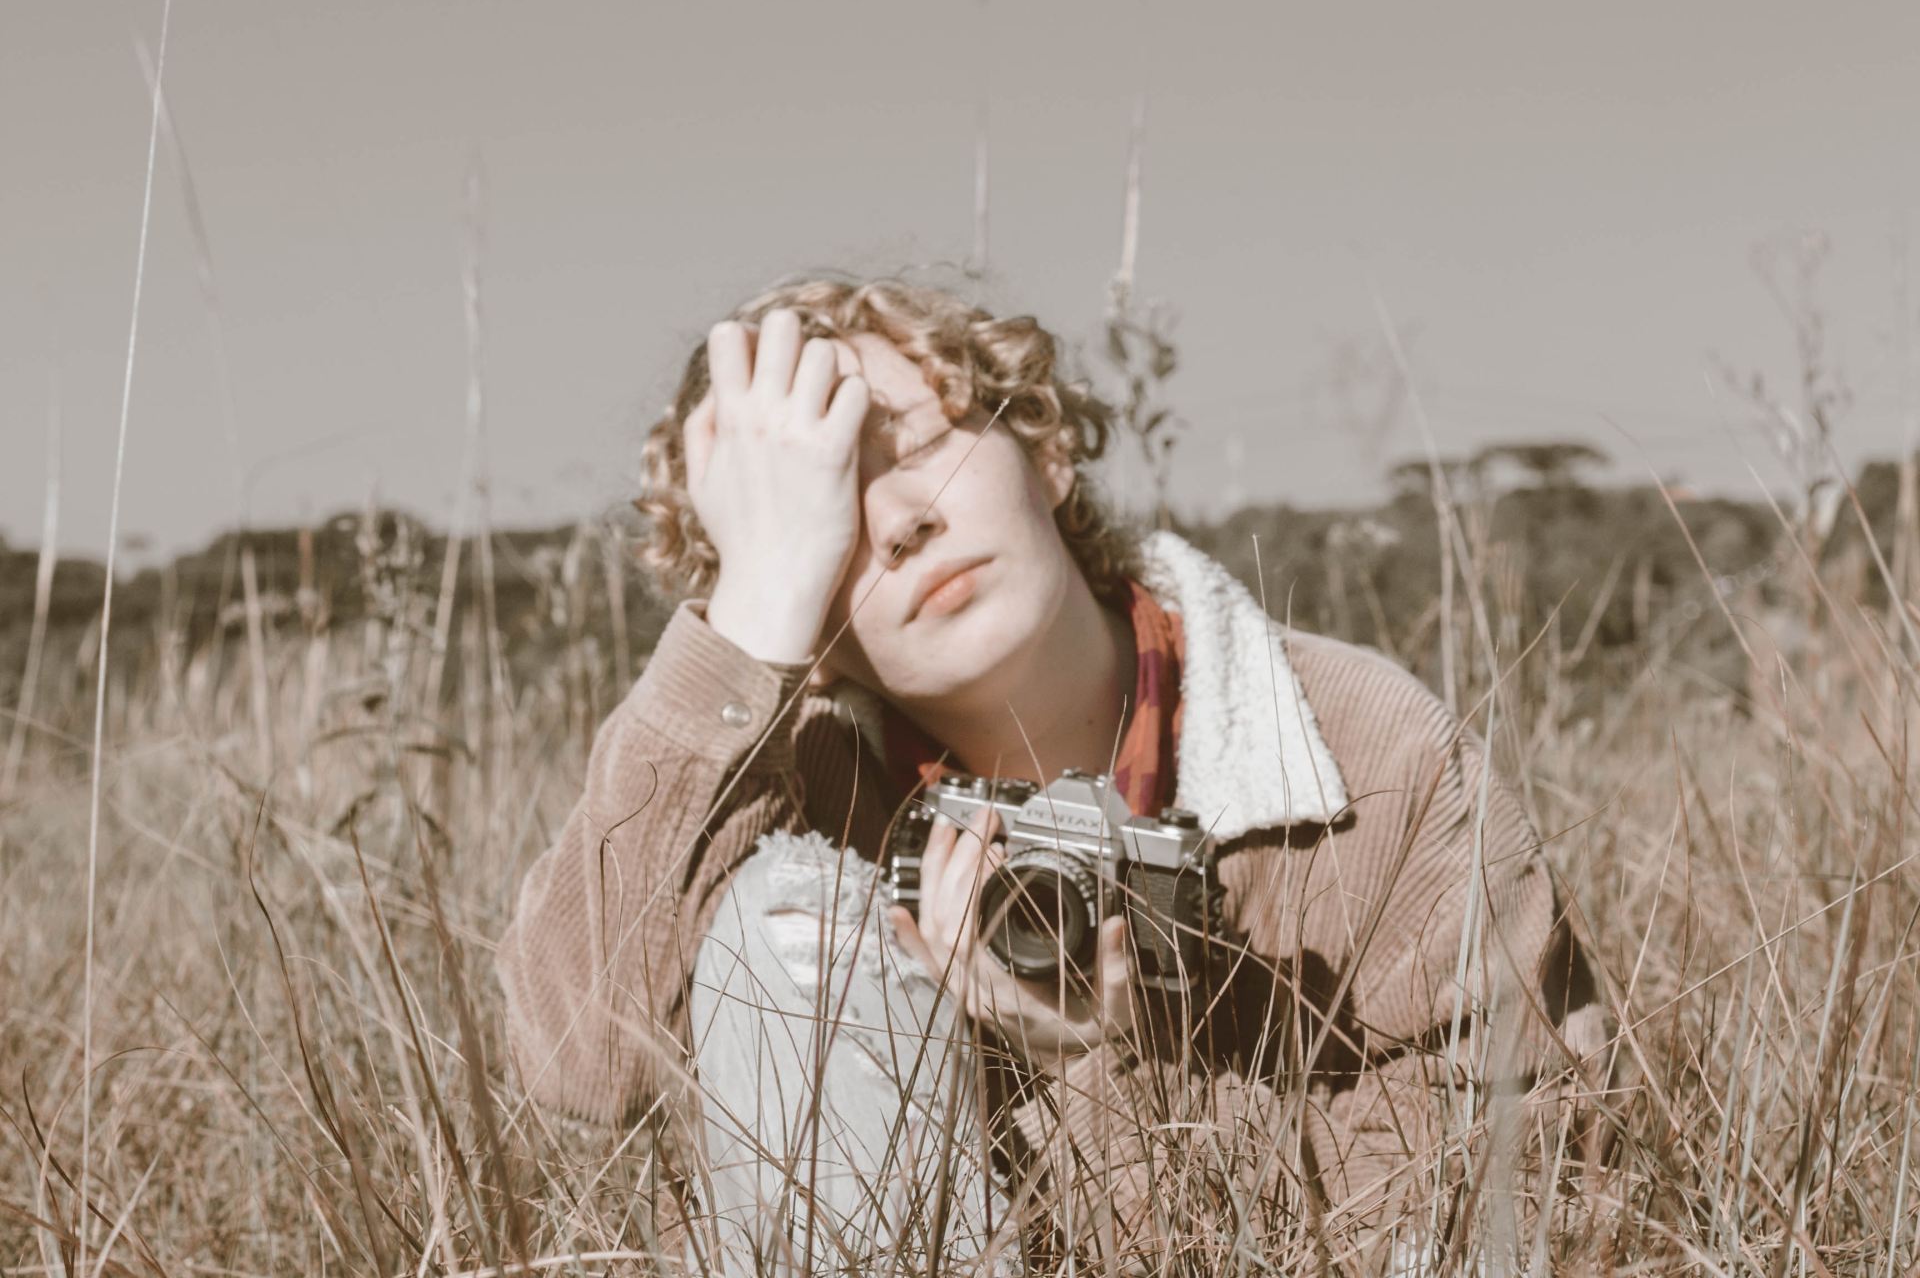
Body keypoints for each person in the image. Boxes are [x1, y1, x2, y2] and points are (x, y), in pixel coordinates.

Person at [494, 275, 1608, 1275]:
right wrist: (752, 613)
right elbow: (577, 1060)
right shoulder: (784, 795)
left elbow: (1510, 1202)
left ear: (1044, 446)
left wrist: (1096, 1074)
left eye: (920, 443)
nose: (901, 521)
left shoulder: (1363, 758)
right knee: (791, 925)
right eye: (825, 506)